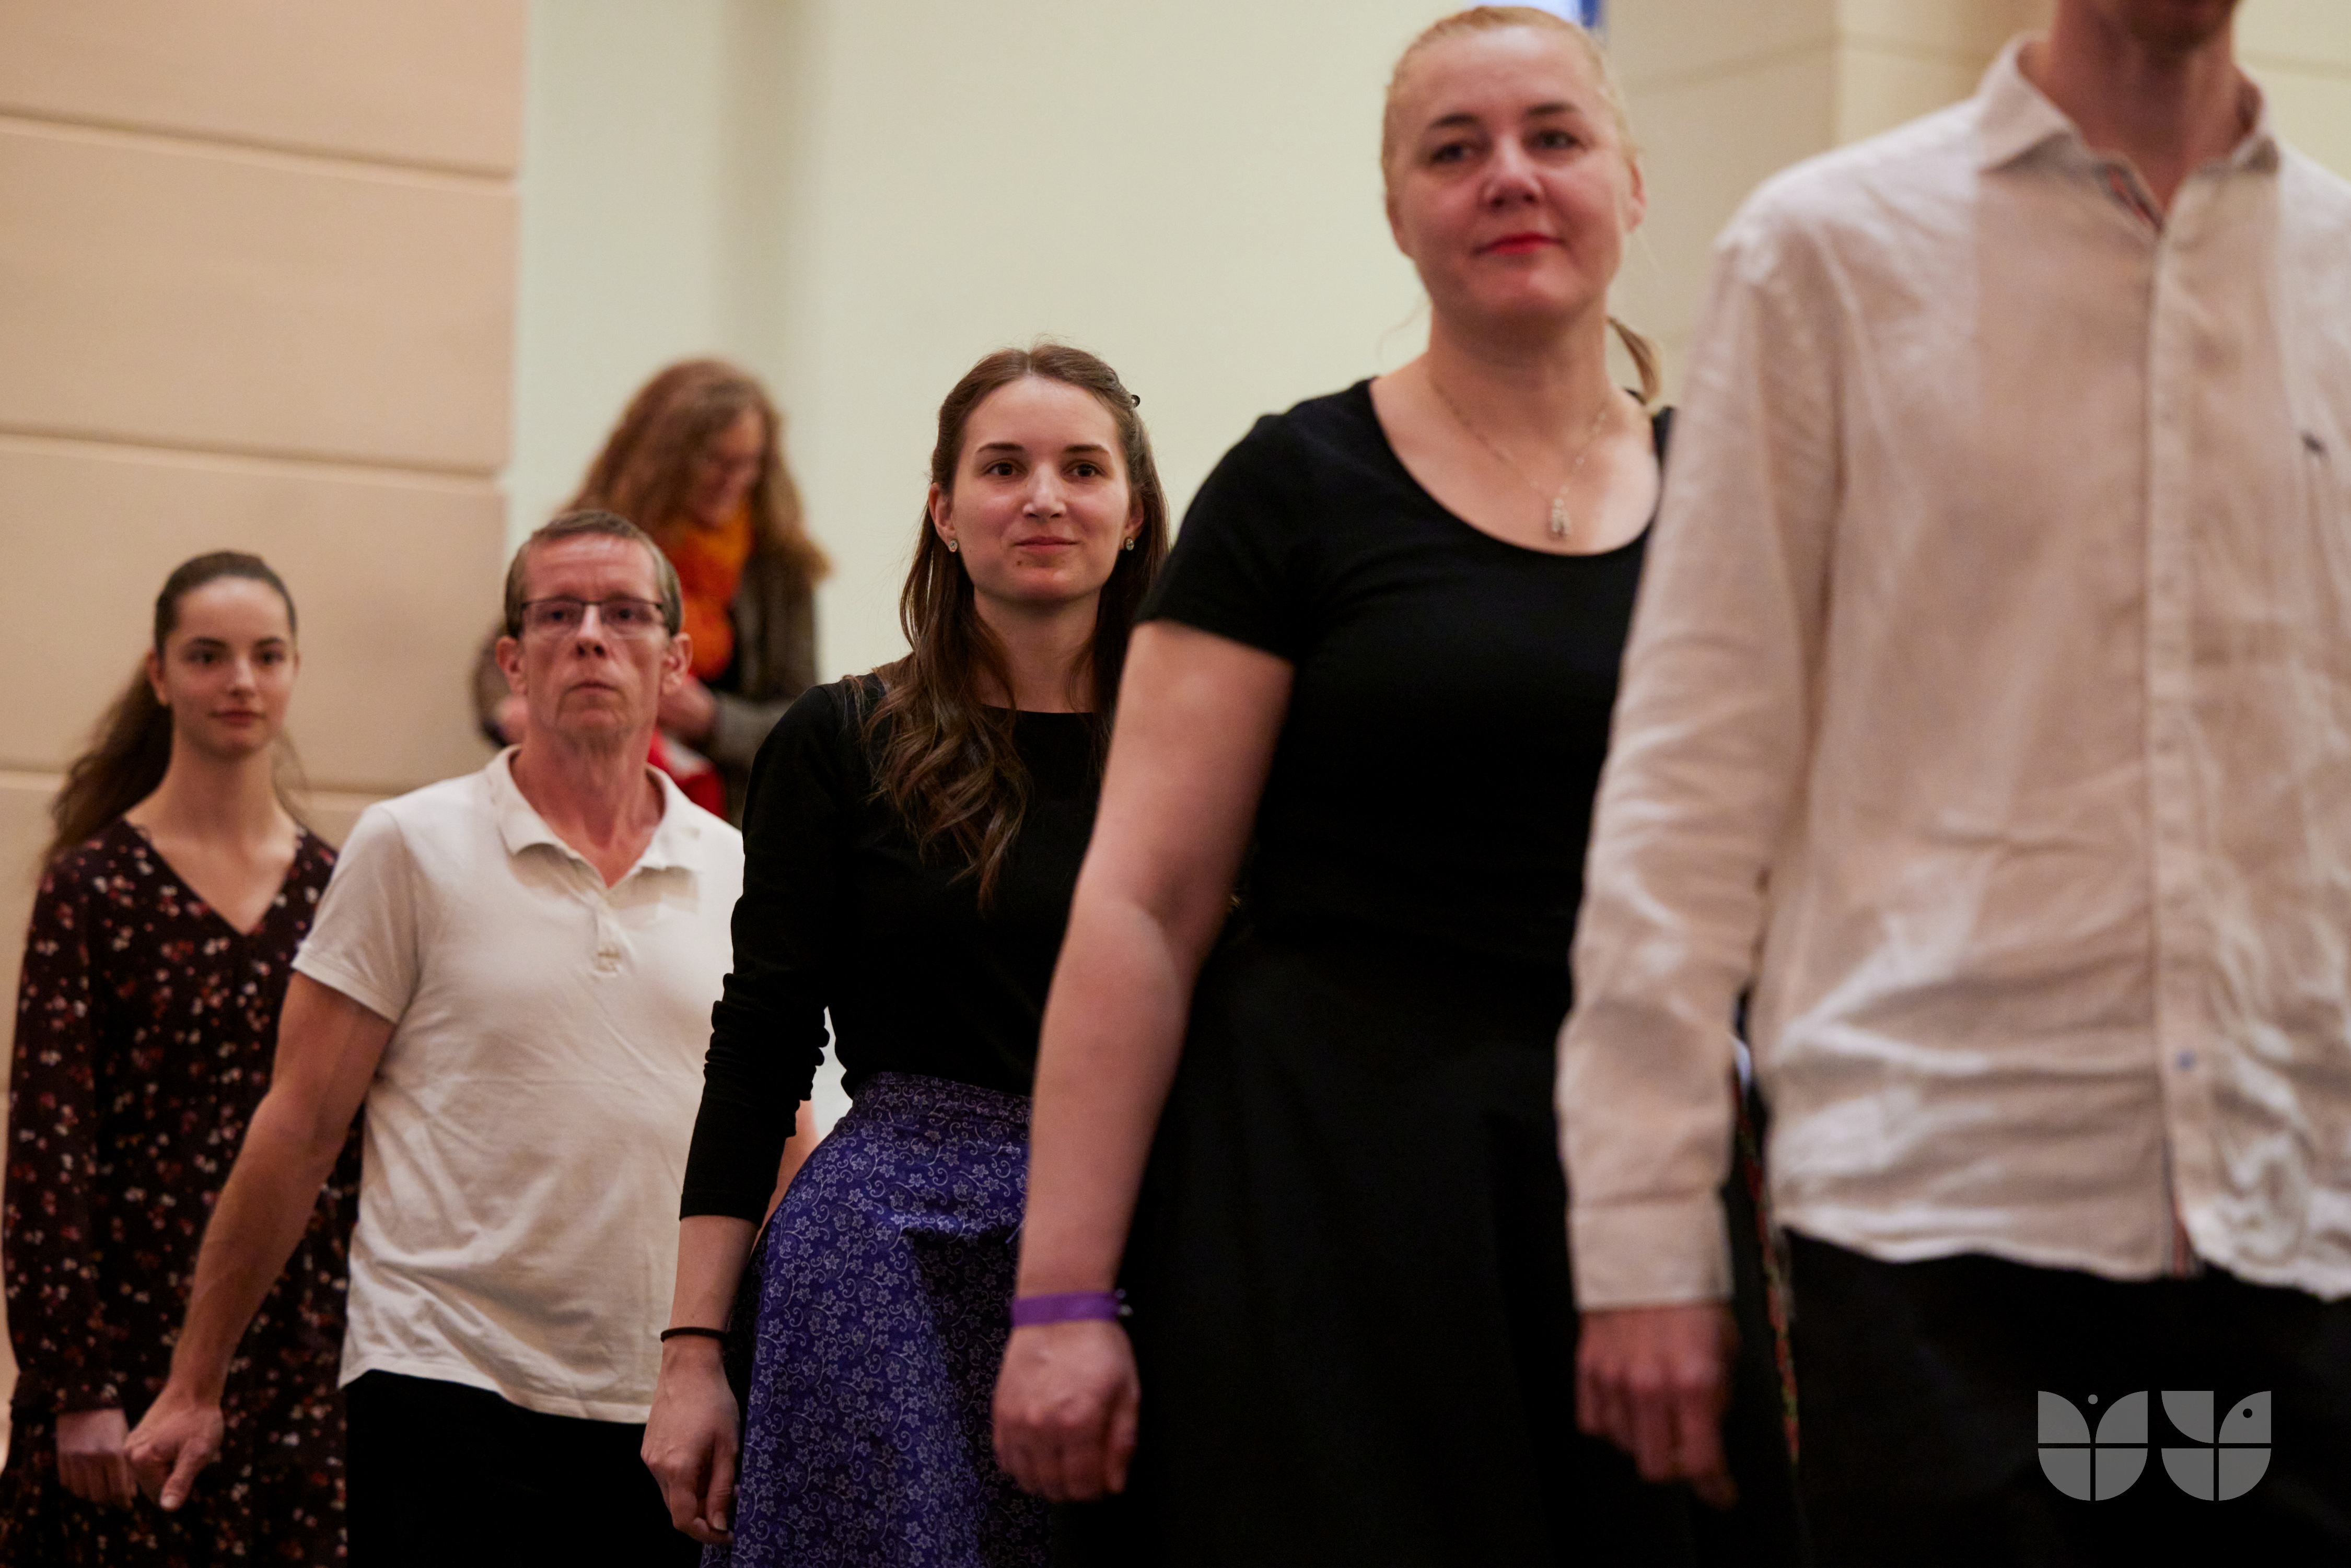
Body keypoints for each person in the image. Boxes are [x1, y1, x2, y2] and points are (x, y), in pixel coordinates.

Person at [990, 11, 1802, 1564]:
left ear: (1631, 184)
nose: (1510, 176)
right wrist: (1062, 1295)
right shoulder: (1294, 489)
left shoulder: (1731, 492)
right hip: (1327, 1180)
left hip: (1631, 1172)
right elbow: (1145, 904)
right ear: (1395, 209)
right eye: (1454, 148)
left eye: (1554, 137)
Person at [1556, 1, 2351, 1562]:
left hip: (2297, 1206)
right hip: (1936, 1212)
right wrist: (1644, 1225)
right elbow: (1692, 770)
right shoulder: (1825, 252)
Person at [125, 512, 744, 1566]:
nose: (591, 637)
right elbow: (301, 1123)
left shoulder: (734, 869)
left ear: (677, 661)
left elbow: (772, 1135)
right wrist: (195, 1379)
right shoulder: (410, 844)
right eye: (559, 614)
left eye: (625, 614)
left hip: (664, 1397)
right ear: (513, 659)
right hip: (443, 1374)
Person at [643, 343, 1168, 1567]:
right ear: (943, 508)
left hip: (1148, 1247)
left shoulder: (1212, 750)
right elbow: (759, 1046)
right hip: (885, 1265)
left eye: (1082, 468)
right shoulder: (839, 738)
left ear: (1134, 509)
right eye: (1004, 467)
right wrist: (692, 1353)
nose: (1043, 497)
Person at [1, 552, 354, 1565]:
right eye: (208, 656)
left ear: (294, 671)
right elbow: (49, 1147)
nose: (240, 680)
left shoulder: (338, 887)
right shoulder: (92, 887)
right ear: (159, 674)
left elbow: (360, 1141)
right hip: (122, 1350)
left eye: (266, 655)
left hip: (296, 1348)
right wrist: (75, 1385)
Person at [478, 359, 827, 821]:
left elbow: (804, 719)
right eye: (716, 462)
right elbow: (503, 655)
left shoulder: (779, 566)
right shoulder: (593, 544)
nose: (733, 481)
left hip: (727, 818)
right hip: (579, 802)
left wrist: (713, 720)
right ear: (665, 461)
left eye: (749, 464)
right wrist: (514, 712)